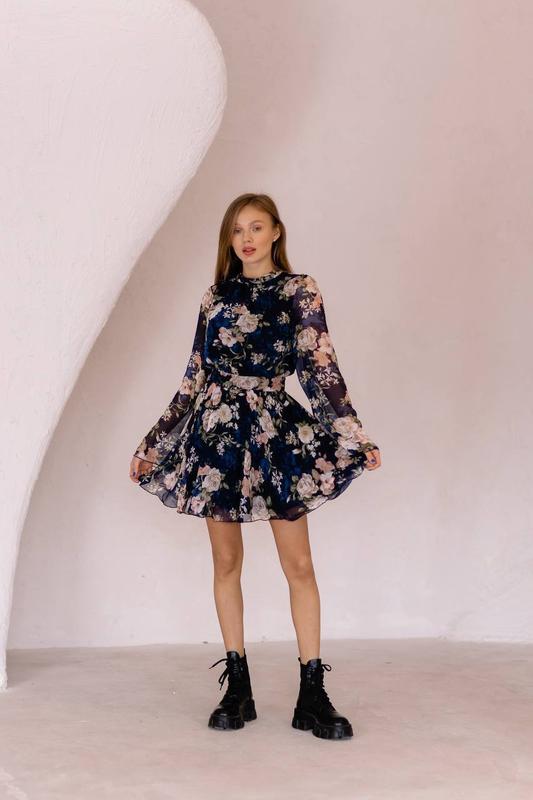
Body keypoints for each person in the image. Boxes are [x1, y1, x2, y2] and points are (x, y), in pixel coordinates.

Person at [129, 193, 381, 740]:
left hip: (275, 435)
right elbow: (193, 376)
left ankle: (312, 693)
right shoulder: (215, 296)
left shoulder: (299, 290)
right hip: (217, 436)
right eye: (237, 230)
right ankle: (237, 686)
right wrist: (154, 442)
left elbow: (319, 368)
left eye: (256, 227)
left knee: (300, 565)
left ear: (276, 232)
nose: (246, 238)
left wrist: (352, 433)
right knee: (226, 562)